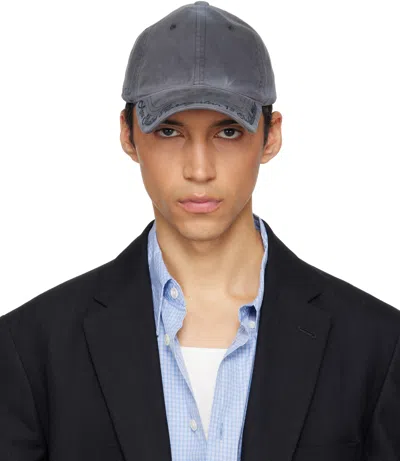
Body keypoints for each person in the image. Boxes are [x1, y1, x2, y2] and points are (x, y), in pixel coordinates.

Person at [1, 2, 399, 460]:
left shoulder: (376, 347)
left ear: (270, 136)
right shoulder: (31, 349)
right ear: (128, 135)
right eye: (169, 132)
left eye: (228, 132)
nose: (199, 169)